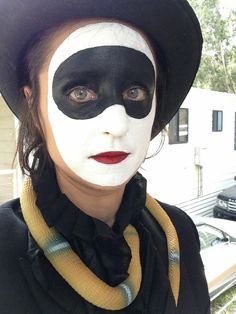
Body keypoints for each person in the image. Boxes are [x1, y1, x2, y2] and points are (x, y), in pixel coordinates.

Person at [0, 0, 210, 313]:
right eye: (80, 93)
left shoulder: (178, 234)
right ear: (34, 104)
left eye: (135, 92)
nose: (117, 125)